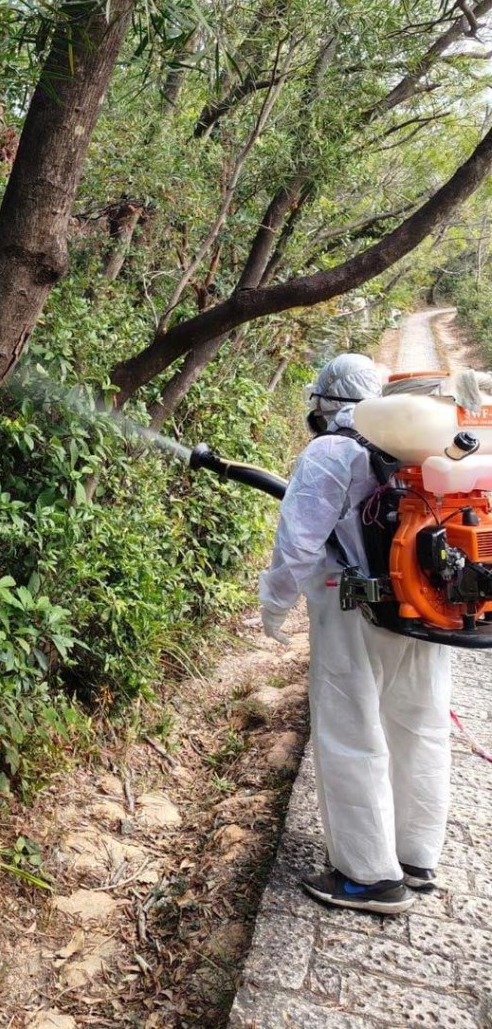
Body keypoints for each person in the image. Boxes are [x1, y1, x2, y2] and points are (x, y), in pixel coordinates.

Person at [259, 352, 452, 915]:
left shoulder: (330, 452)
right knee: (419, 726)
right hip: (424, 610)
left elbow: (296, 547)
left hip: (354, 613)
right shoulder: (423, 448)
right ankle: (415, 857)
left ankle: (368, 877)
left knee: (351, 735)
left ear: (326, 401)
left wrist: (273, 611)